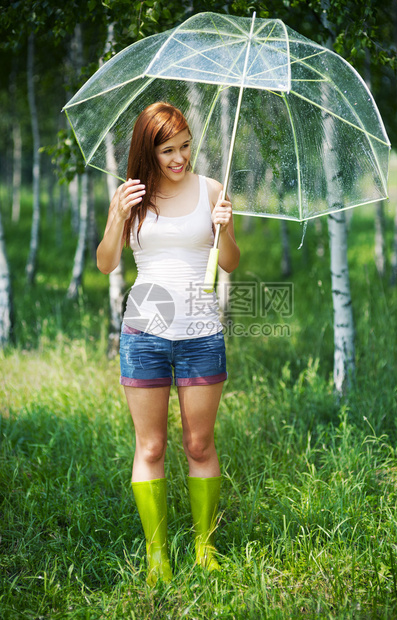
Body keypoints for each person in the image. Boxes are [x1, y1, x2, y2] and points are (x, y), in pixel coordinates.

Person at [96, 102, 240, 585]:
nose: (179, 158)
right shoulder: (133, 194)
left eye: (184, 147)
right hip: (144, 333)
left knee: (199, 444)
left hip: (202, 334)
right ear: (148, 150)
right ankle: (157, 556)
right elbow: (105, 263)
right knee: (151, 446)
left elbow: (231, 264)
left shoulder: (212, 191)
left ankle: (204, 547)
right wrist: (117, 216)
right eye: (168, 150)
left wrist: (226, 225)